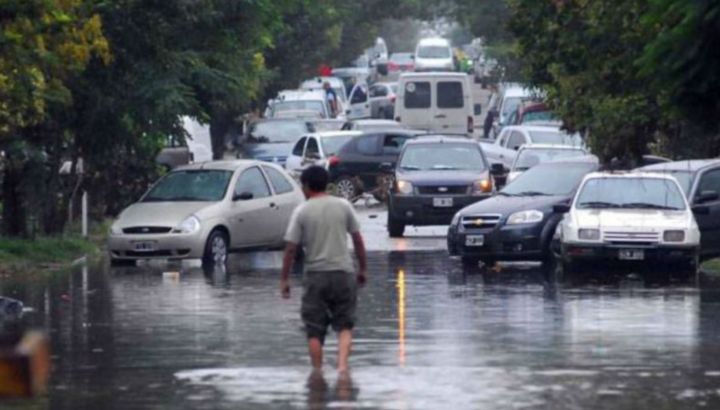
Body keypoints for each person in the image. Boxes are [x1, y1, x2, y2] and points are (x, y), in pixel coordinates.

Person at [280, 166, 367, 373]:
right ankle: (343, 368)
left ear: (307, 186)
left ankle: (317, 374)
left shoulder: (302, 210)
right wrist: (362, 269)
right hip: (344, 274)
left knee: (314, 331)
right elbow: (358, 240)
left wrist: (284, 279)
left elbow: (291, 249)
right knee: (345, 325)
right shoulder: (344, 206)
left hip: (315, 276)